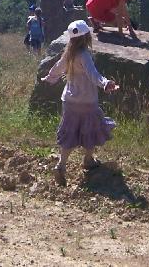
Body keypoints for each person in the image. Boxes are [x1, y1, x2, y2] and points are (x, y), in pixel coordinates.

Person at [40, 20, 119, 186]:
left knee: (69, 132)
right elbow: (93, 74)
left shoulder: (68, 54)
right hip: (86, 101)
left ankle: (61, 165)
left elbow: (56, 68)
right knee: (90, 130)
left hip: (68, 101)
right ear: (86, 37)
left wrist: (50, 78)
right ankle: (88, 160)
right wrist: (106, 83)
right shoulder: (84, 55)